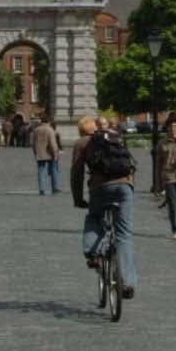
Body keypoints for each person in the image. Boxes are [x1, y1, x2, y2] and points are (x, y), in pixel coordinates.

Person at [71, 115, 136, 298]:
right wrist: (129, 189)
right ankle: (128, 283)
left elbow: (76, 173)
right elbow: (129, 163)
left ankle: (94, 254)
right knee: (124, 234)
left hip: (100, 188)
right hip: (124, 186)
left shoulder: (83, 142)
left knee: (94, 217)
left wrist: (78, 199)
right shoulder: (116, 136)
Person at [30, 115, 60, 195]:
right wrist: (55, 153)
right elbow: (52, 143)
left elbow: (33, 143)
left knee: (41, 171)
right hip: (50, 153)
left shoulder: (36, 130)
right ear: (48, 121)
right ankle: (55, 187)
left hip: (40, 153)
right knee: (54, 170)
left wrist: (35, 153)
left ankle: (42, 189)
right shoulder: (50, 130)